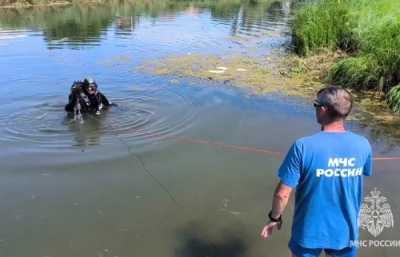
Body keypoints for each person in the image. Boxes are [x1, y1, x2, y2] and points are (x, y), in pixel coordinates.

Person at [260, 86, 372, 257]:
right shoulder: (363, 144)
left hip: (308, 233)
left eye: (315, 104)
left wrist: (275, 218)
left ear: (323, 109)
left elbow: (282, 194)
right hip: (346, 232)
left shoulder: (303, 146)